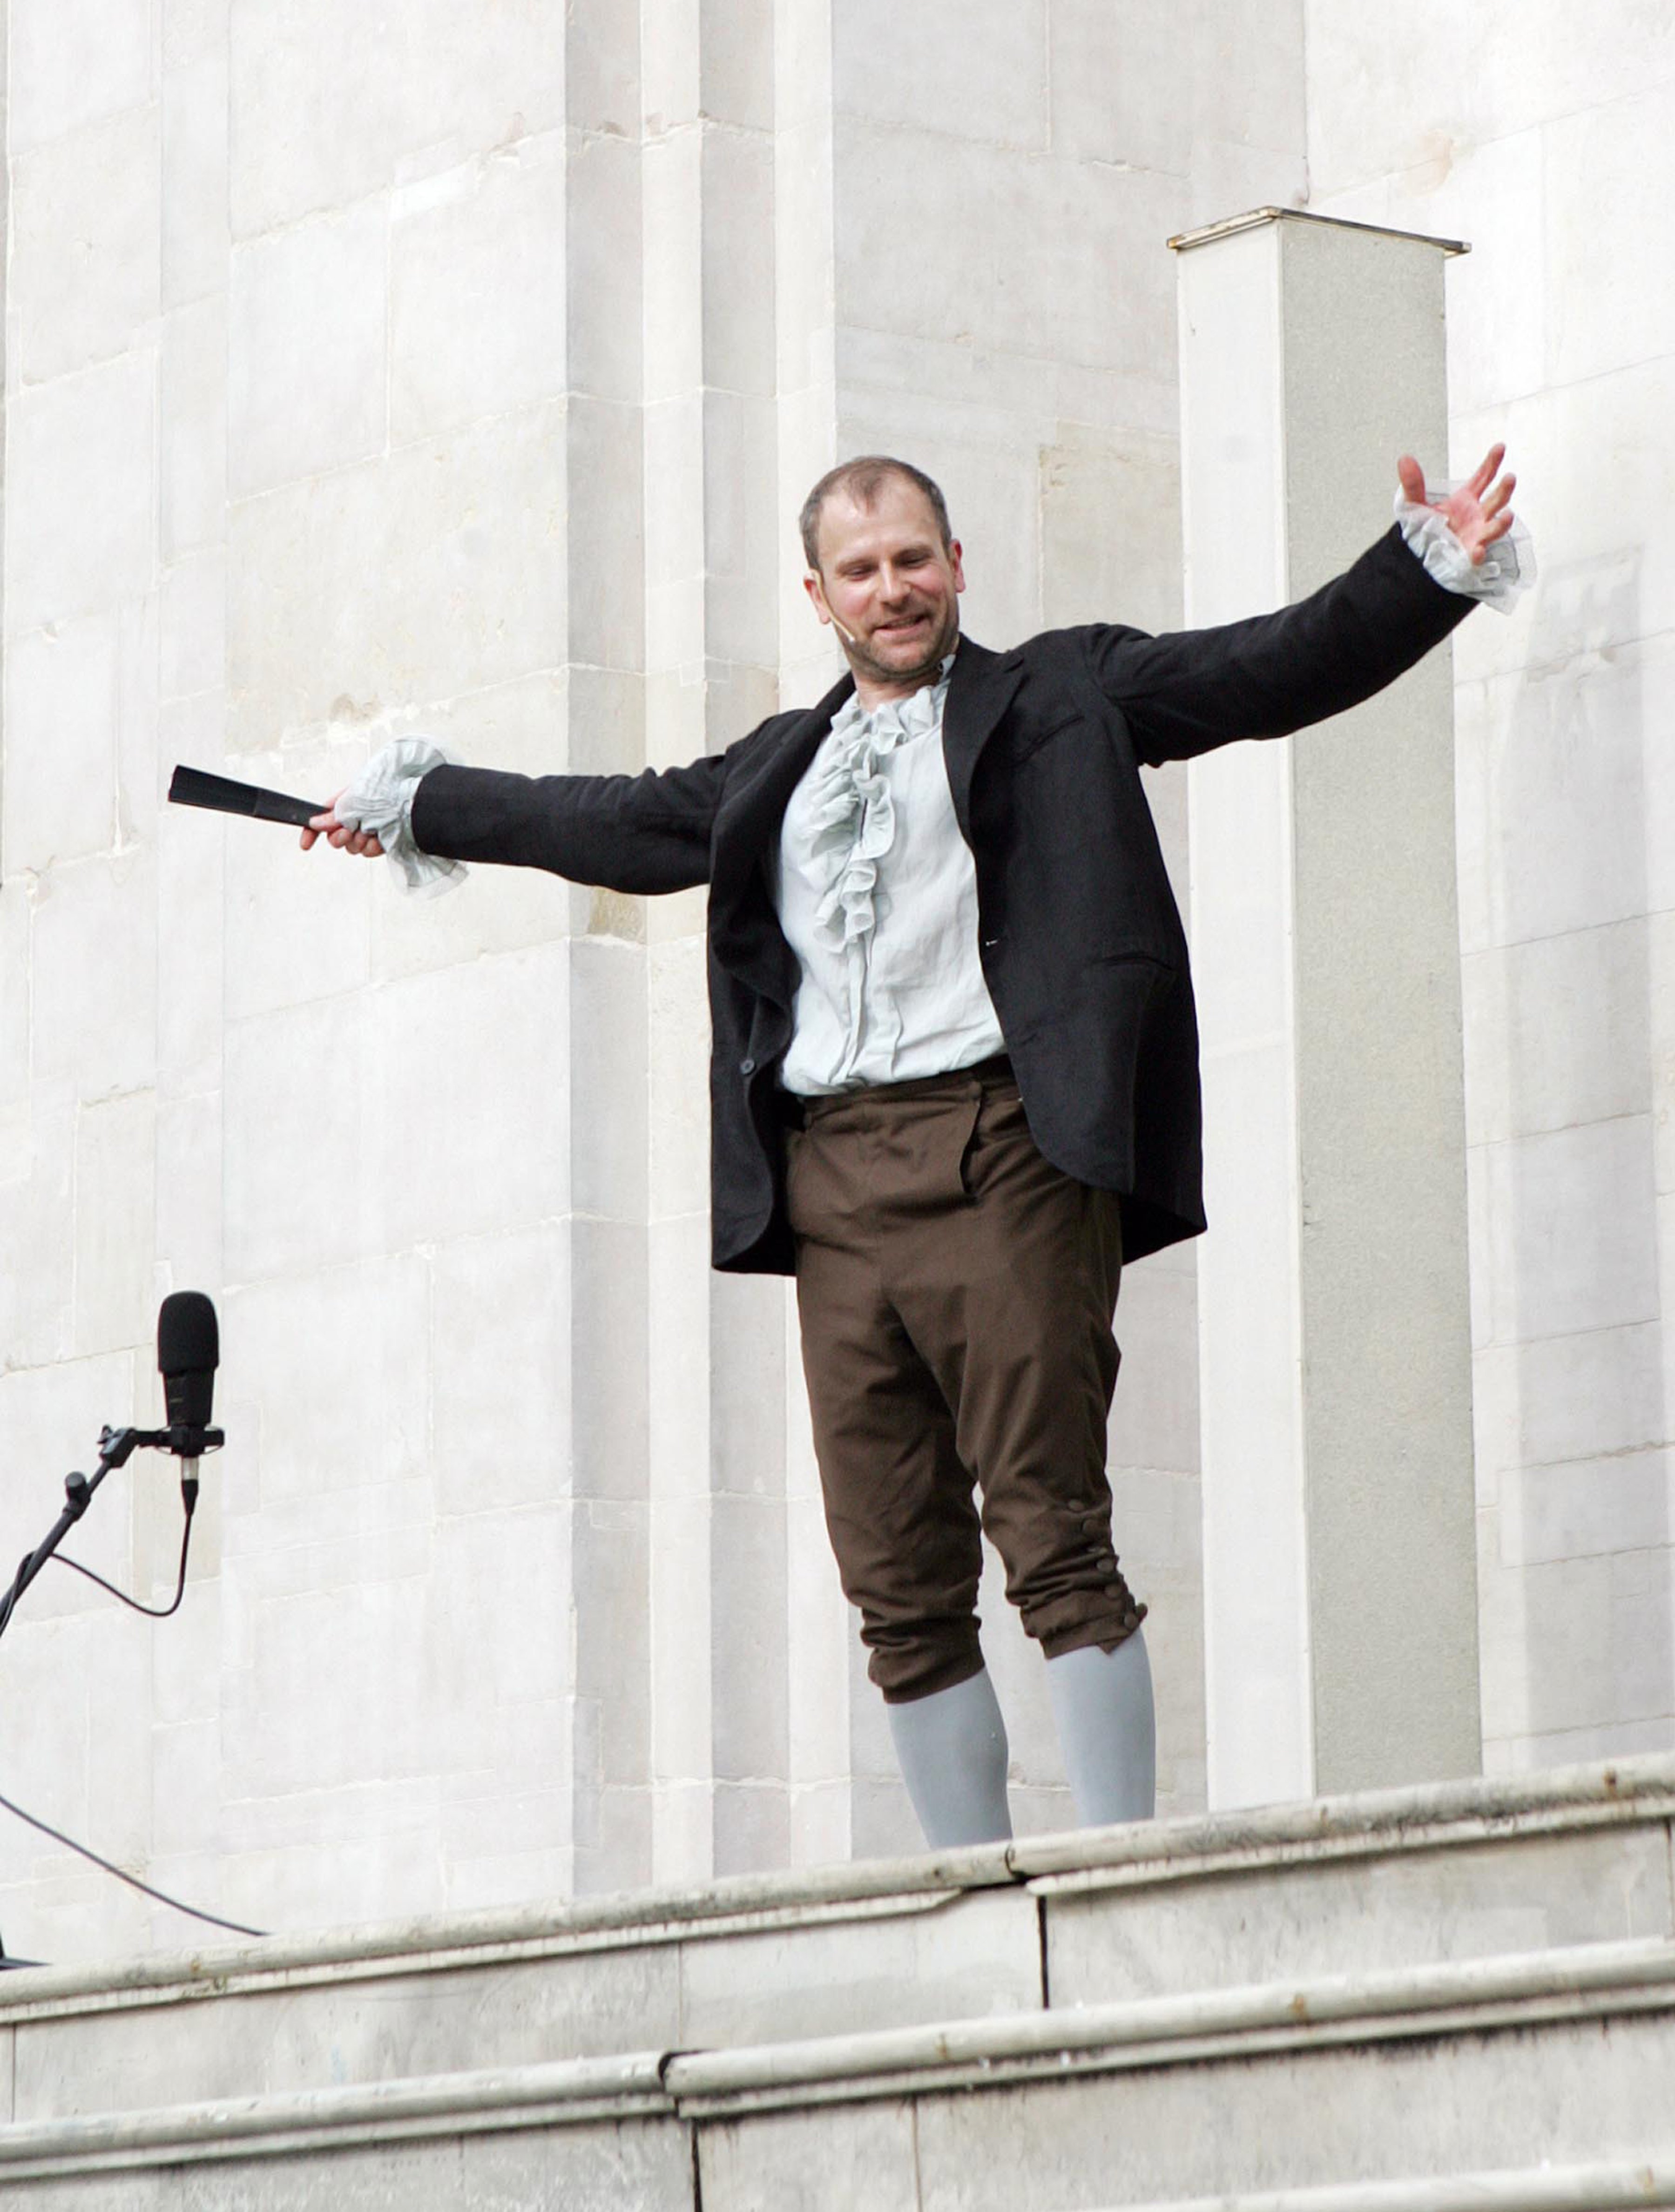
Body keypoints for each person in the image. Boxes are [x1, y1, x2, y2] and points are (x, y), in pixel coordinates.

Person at [302, 446, 1521, 1849]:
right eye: (864, 569)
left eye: (916, 558)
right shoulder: (777, 765)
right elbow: (615, 821)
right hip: (833, 1185)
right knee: (892, 1568)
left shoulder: (1065, 693)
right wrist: (418, 802)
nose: (895, 589)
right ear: (816, 593)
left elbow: (1265, 668)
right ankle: (968, 1899)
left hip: (1004, 1149)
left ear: (957, 565)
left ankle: (1117, 1880)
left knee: (1051, 1527)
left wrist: (1418, 568)